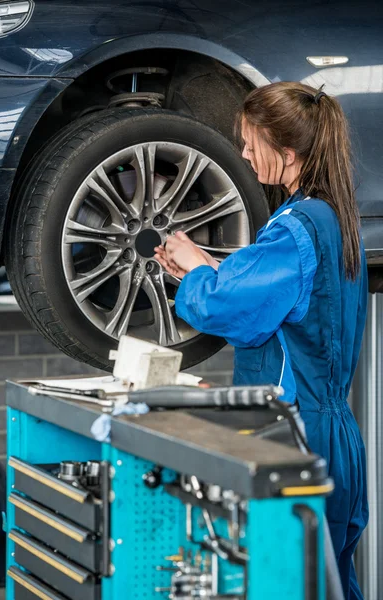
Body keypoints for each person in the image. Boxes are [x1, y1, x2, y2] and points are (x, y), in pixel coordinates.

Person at [154, 81, 368, 600]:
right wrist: (206, 268)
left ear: (287, 152)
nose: (244, 154)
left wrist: (192, 270)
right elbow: (274, 301)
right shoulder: (333, 219)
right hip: (333, 432)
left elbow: (224, 308)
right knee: (328, 583)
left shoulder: (294, 228)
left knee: (286, 585)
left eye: (252, 144)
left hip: (293, 436)